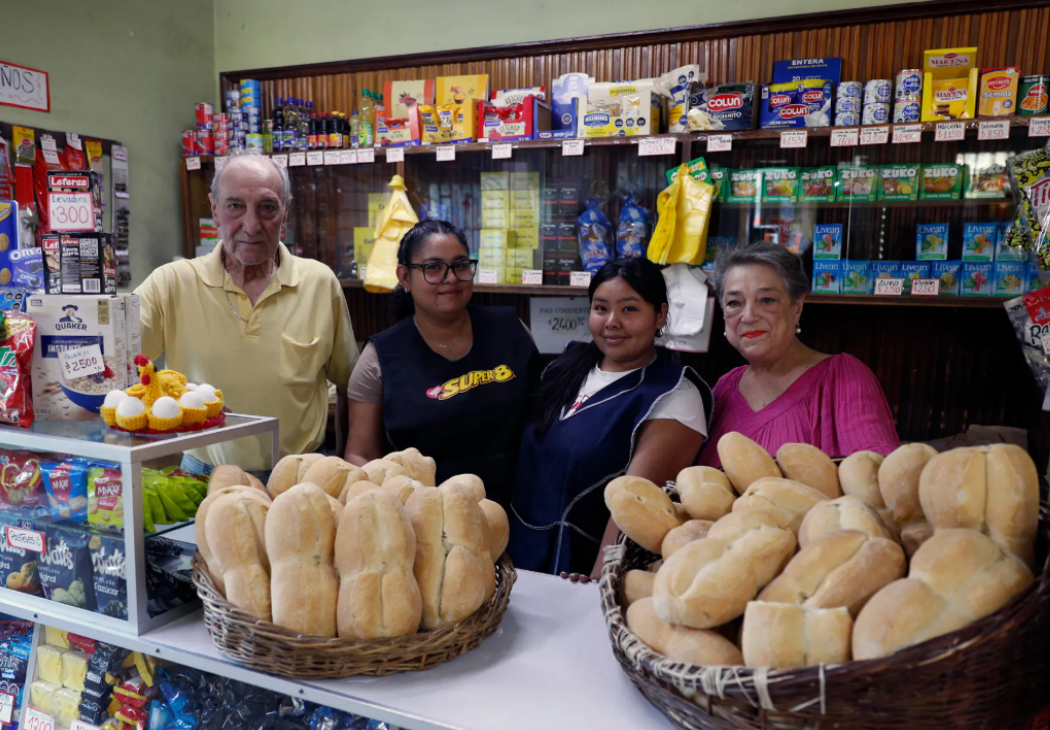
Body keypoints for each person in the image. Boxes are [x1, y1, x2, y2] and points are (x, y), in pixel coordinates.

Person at [136, 149, 358, 471]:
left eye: (267, 208)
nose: (252, 225)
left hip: (301, 477)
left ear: (286, 211)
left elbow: (351, 384)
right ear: (215, 208)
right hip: (203, 479)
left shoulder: (320, 283)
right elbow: (115, 352)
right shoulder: (171, 283)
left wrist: (346, 461)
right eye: (235, 206)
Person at [510, 257, 711, 577]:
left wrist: (598, 581)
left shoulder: (674, 395)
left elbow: (633, 506)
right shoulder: (562, 368)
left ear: (659, 315)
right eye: (601, 308)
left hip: (578, 576)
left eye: (629, 309)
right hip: (517, 562)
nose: (612, 321)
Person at [344, 219, 540, 508]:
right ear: (404, 277)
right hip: (426, 520)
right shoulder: (379, 358)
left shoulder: (512, 329)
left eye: (460, 265)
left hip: (520, 509)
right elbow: (361, 456)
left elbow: (542, 422)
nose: (450, 278)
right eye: (432, 267)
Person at [698, 242, 899, 466]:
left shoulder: (842, 378)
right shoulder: (723, 388)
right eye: (734, 303)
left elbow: (876, 475)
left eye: (767, 300)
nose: (748, 316)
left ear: (796, 308)